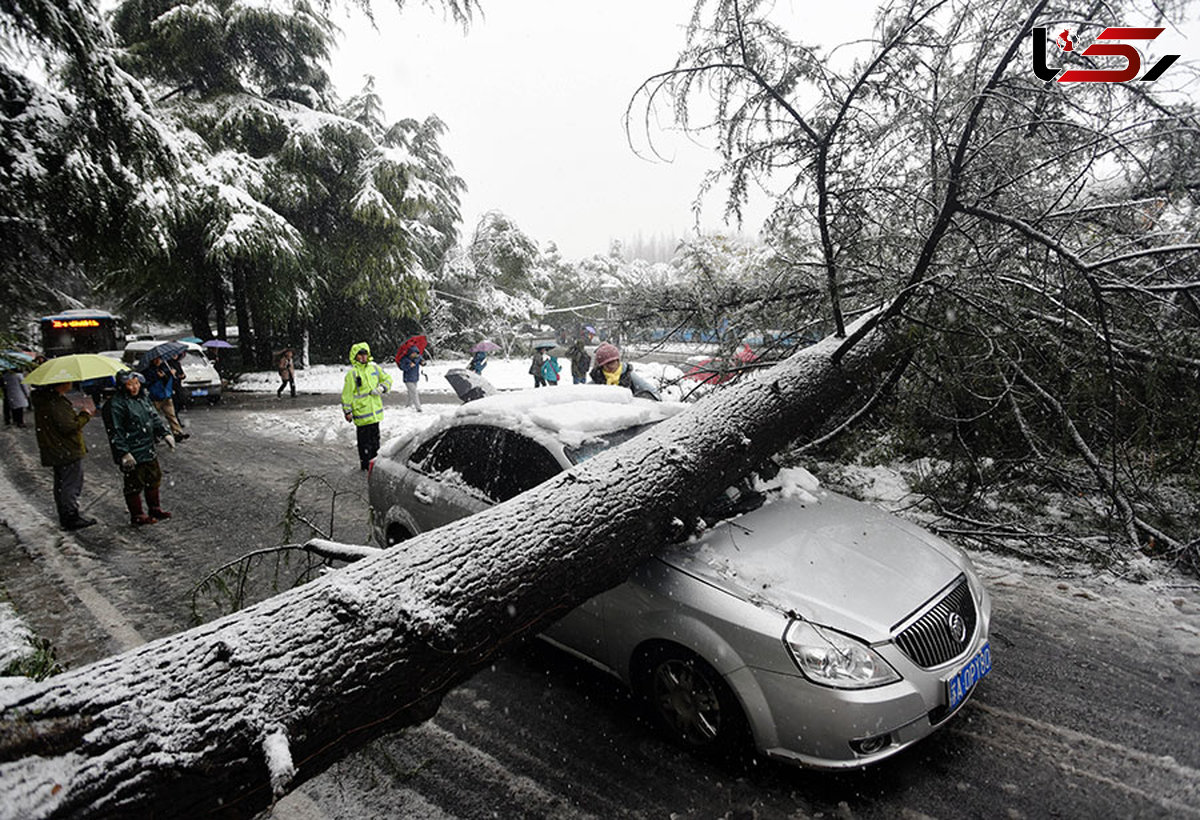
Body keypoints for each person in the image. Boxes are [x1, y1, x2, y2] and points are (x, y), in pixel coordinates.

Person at [104, 370, 175, 526]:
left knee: (153, 478)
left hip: (147, 447)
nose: (134, 387)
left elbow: (153, 417)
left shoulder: (143, 398)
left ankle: (154, 508)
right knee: (134, 484)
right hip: (132, 450)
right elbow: (116, 431)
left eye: (136, 383)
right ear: (123, 386)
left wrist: (165, 433)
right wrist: (123, 453)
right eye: (130, 384)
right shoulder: (116, 405)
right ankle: (137, 515)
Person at [31, 381, 96, 530]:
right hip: (66, 449)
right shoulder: (56, 402)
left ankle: (66, 515)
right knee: (70, 483)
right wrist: (85, 415)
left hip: (57, 449)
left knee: (62, 483)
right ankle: (70, 517)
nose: (71, 383)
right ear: (60, 384)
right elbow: (69, 426)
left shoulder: (46, 400)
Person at [342, 342, 393, 470]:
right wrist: (347, 411)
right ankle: (365, 465)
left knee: (375, 441)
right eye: (360, 355)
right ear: (355, 356)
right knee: (364, 443)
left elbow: (388, 379)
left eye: (365, 354)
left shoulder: (374, 368)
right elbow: (347, 394)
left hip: (375, 414)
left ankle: (375, 464)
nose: (363, 357)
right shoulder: (352, 374)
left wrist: (382, 388)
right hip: (362, 415)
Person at [589, 342, 660, 400]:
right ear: (601, 366)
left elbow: (653, 392)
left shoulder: (629, 376)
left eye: (613, 362)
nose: (611, 366)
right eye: (607, 364)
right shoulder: (597, 378)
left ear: (618, 361)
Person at [143, 354, 187, 439]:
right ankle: (154, 434)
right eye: (156, 359)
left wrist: (171, 375)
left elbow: (170, 381)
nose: (158, 361)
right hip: (155, 397)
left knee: (171, 415)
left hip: (166, 395)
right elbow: (147, 382)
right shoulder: (148, 370)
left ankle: (177, 432)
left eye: (159, 359)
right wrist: (157, 377)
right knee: (153, 417)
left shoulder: (165, 367)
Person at [398, 346, 424, 412]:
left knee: (411, 393)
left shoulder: (418, 358)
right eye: (413, 353)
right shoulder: (405, 359)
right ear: (410, 353)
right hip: (408, 379)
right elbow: (402, 367)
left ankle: (409, 405)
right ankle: (418, 408)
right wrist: (409, 366)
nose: (415, 355)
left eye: (416, 353)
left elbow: (422, 361)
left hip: (415, 378)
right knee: (414, 392)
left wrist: (423, 363)